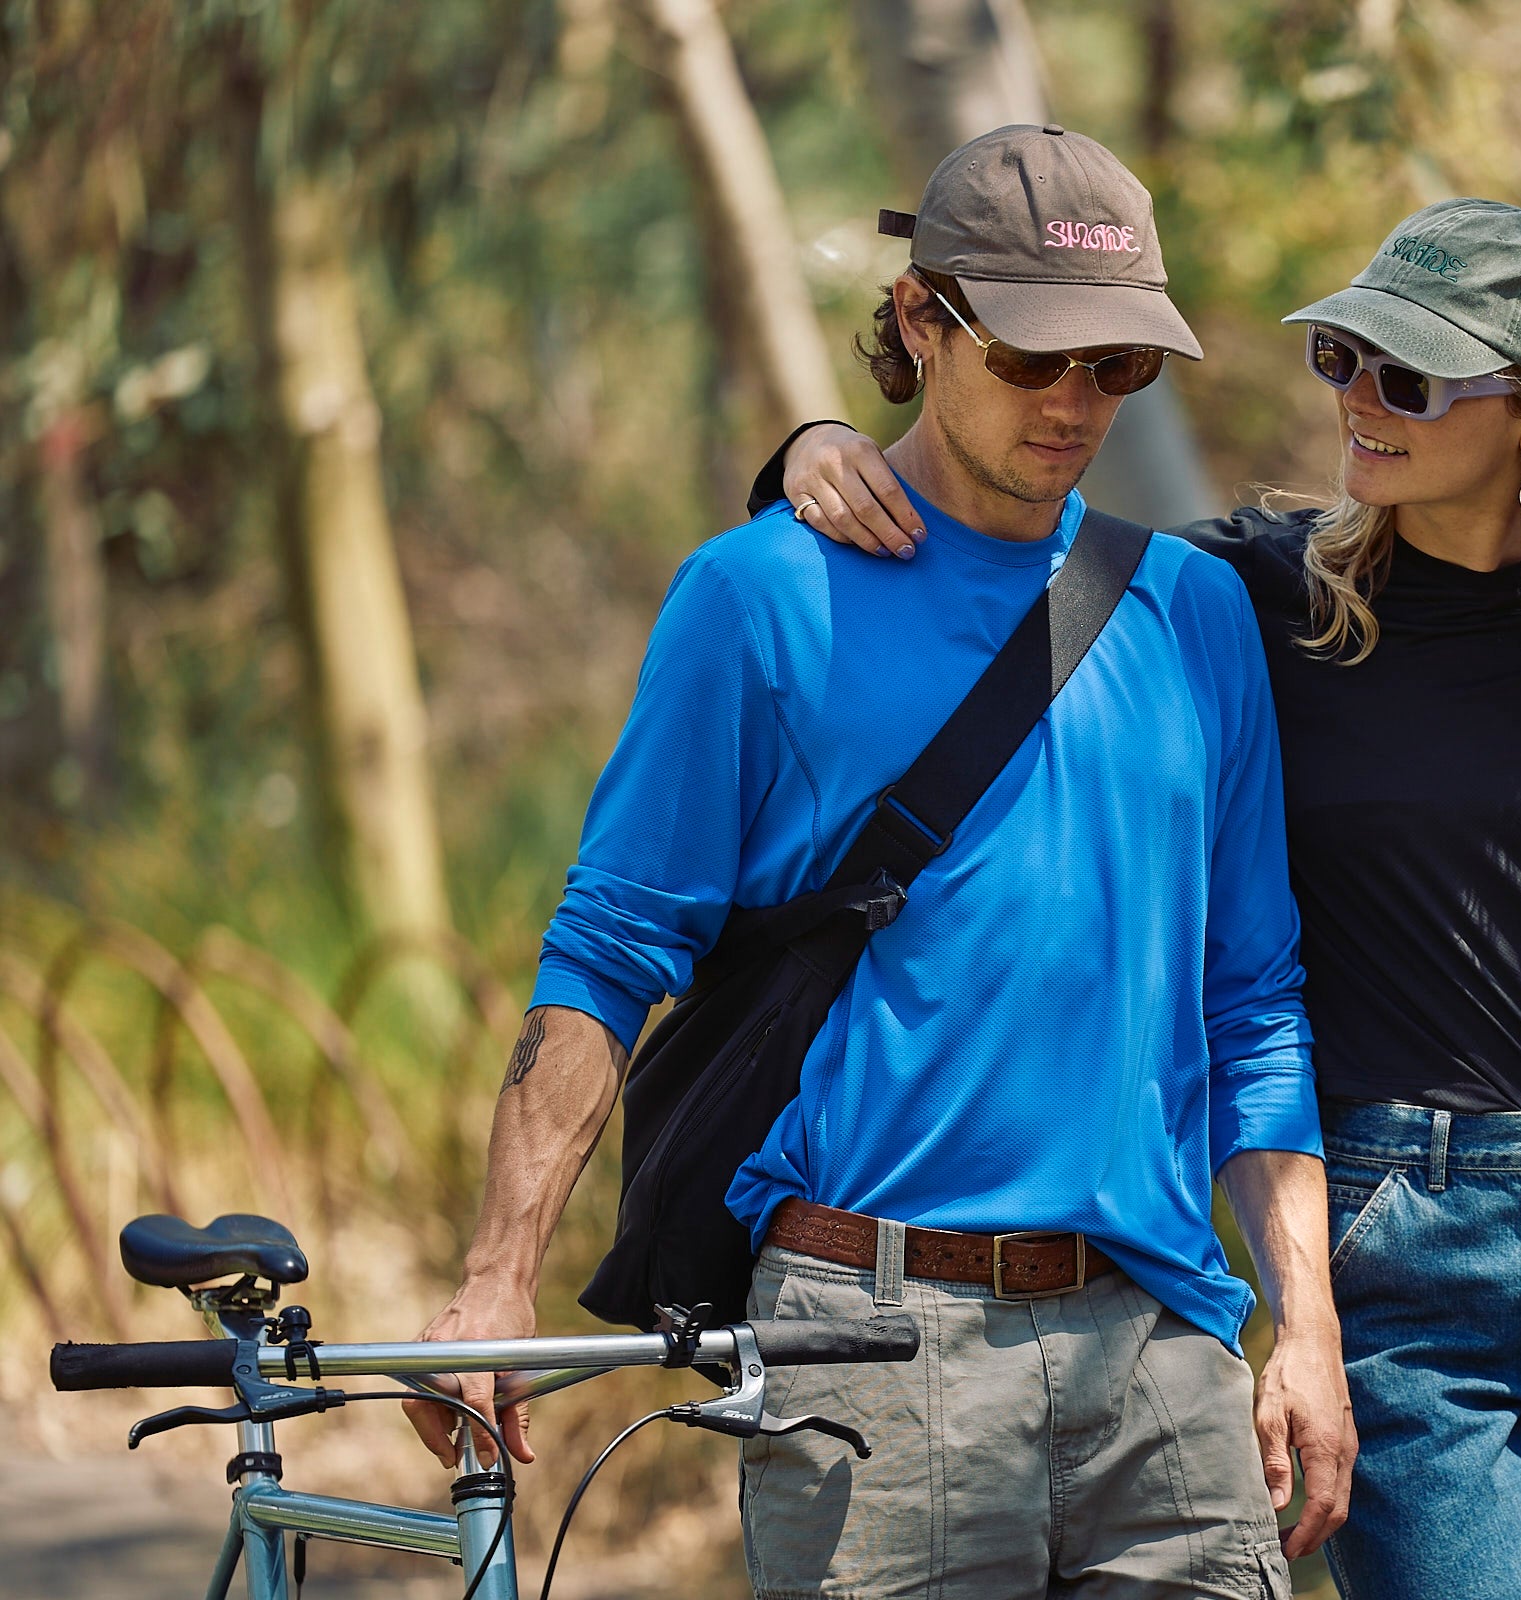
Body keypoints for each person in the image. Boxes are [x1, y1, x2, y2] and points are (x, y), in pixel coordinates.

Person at [761, 197, 1521, 1600]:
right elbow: (1014, 547)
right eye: (1345, 359)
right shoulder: (1263, 597)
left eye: (1410, 378)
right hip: (1404, 1262)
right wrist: (810, 455)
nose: (1360, 399)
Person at [405, 124, 1354, 1600]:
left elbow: (1257, 1005)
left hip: (1164, 1358)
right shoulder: (756, 601)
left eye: (1118, 365)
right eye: (1034, 357)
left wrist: (1307, 1326)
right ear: (921, 321)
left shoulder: (1195, 615)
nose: (1075, 403)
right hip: (872, 1352)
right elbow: (605, 954)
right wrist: (493, 1280)